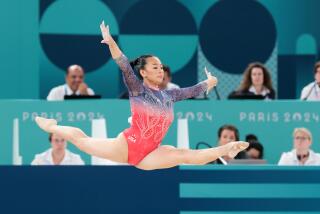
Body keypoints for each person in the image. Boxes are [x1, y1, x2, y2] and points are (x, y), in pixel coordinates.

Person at [35, 21, 248, 170]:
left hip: (151, 154)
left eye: (161, 67)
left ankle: (227, 149)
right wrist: (111, 43)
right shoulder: (138, 90)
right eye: (154, 67)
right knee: (82, 141)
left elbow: (193, 90)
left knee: (186, 155)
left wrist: (210, 82)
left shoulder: (170, 95)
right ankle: (52, 126)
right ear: (143, 72)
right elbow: (124, 66)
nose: (160, 70)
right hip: (127, 146)